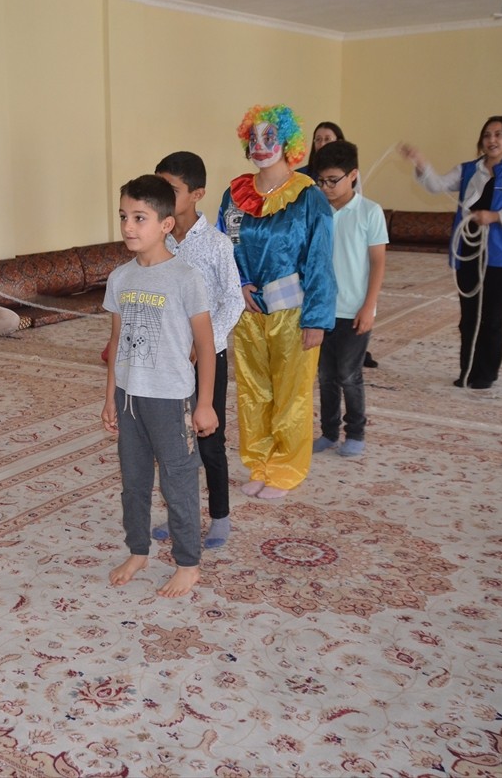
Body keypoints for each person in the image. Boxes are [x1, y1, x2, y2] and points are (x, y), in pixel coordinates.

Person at [102, 174, 217, 598]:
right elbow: (115, 342)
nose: (129, 227)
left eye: (139, 218)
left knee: (178, 482)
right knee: (132, 481)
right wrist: (110, 395)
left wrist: (204, 404)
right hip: (129, 399)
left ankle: (188, 564)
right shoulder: (120, 278)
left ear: (166, 224)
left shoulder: (185, 277)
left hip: (171, 400)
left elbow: (206, 345)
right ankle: (137, 549)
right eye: (123, 217)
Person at [217, 104, 336, 500]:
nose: (260, 145)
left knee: (292, 393)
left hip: (294, 311)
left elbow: (319, 259)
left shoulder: (308, 197)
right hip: (249, 312)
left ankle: (286, 467)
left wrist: (316, 318)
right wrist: (239, 285)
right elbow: (224, 249)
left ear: (288, 144)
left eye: (270, 137)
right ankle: (259, 461)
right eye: (254, 137)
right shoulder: (235, 195)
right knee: (253, 391)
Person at [400, 115, 502, 391]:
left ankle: (487, 373)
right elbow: (436, 185)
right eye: (487, 135)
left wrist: (496, 216)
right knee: (469, 316)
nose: (492, 140)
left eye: (498, 135)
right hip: (469, 251)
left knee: (493, 316)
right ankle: (468, 370)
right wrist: (421, 162)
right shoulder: (467, 170)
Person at [150, 151, 242, 549]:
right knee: (171, 440)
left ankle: (220, 517)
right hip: (167, 357)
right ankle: (179, 513)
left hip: (206, 358)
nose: (162, 197)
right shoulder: (158, 239)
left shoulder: (217, 244)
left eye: (170, 189)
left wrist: (204, 344)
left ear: (198, 193)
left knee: (207, 438)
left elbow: (232, 300)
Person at [308, 141, 387, 458]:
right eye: (321, 181)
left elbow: (378, 262)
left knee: (348, 374)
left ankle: (355, 431)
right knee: (325, 375)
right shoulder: (317, 211)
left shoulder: (370, 212)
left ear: (353, 175)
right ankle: (328, 432)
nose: (326, 188)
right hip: (322, 309)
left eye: (333, 180)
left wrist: (369, 306)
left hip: (355, 309)